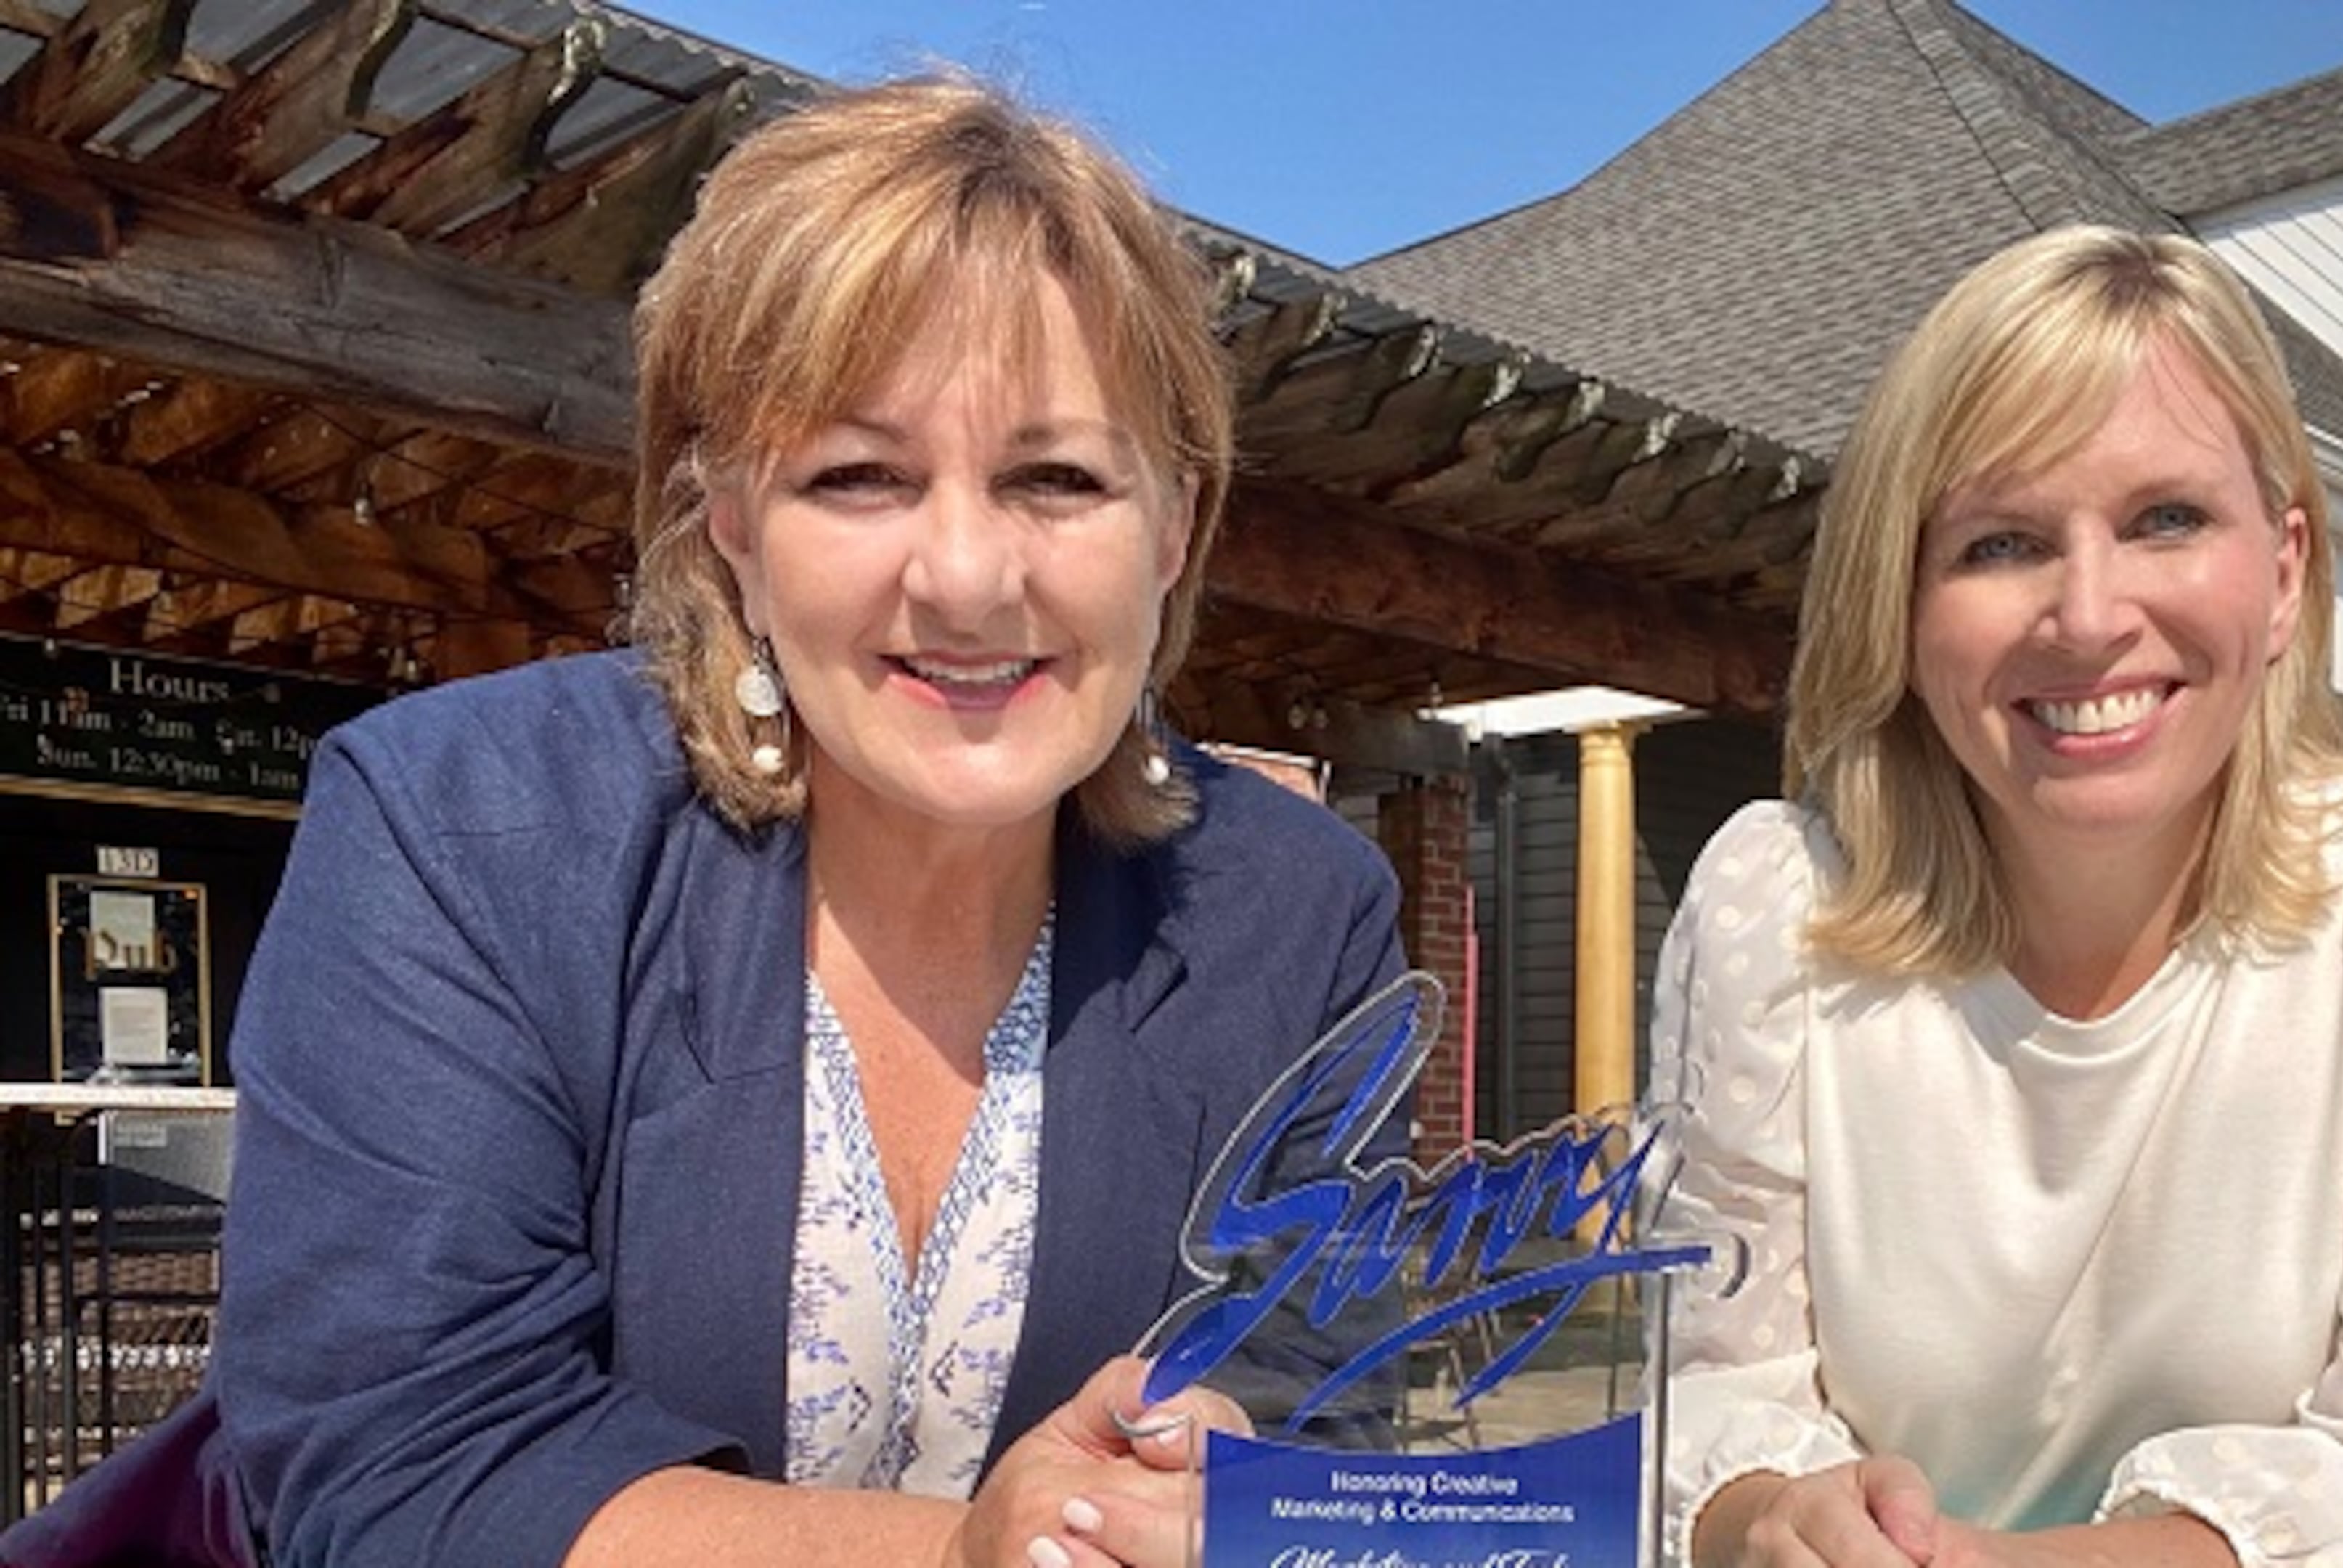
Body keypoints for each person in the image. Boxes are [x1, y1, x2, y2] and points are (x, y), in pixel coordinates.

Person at [2, 75, 1408, 1568]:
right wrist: (955, 1557)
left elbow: (1333, 1399)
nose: (967, 577)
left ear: (1175, 524)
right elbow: (404, 1466)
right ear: (732, 521)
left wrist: (1232, 1483)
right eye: (859, 475)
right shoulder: (458, 831)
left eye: (1056, 477)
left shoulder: (1305, 919)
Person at [1650, 226, 2343, 1567]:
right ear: (1902, 602)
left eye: (2166, 520)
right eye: (2000, 542)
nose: (2087, 617)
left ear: (2286, 574)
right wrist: (1771, 1522)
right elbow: (1707, 1399)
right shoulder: (1774, 909)